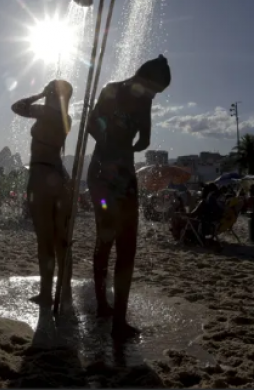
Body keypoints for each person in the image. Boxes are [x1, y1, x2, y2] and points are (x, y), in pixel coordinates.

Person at [87, 55, 171, 340]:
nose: (152, 96)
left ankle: (117, 318)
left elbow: (144, 139)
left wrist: (128, 145)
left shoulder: (142, 100)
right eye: (153, 89)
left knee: (125, 245)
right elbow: (91, 126)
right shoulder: (112, 89)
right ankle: (103, 305)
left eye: (156, 94)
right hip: (102, 174)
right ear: (142, 77)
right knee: (107, 238)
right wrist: (117, 144)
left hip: (122, 175)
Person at [11, 79, 74, 306]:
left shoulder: (43, 112)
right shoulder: (67, 118)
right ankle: (64, 290)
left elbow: (17, 107)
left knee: (45, 240)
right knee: (62, 240)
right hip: (60, 177)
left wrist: (39, 94)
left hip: (40, 176)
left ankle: (47, 293)